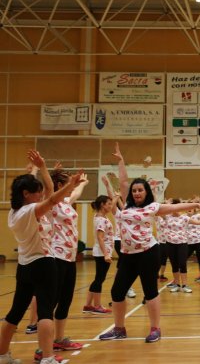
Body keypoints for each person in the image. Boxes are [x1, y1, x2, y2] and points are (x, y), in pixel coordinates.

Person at [98, 142, 200, 343]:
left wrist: (195, 204)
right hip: (128, 255)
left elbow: (177, 207)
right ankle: (119, 328)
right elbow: (123, 183)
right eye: (135, 191)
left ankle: (155, 328)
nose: (137, 193)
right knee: (117, 291)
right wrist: (121, 161)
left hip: (148, 253)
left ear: (146, 192)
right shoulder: (127, 208)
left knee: (150, 291)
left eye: (140, 190)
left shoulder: (153, 207)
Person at [0, 149, 83, 364]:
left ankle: (2, 355)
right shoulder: (31, 211)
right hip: (43, 263)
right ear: (26, 194)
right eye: (36, 192)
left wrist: (40, 168)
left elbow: (49, 192)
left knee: (15, 313)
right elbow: (53, 198)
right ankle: (47, 357)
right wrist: (70, 184)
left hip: (24, 265)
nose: (40, 195)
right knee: (46, 312)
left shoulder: (14, 212)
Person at [46, 168, 89, 355]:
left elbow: (75, 194)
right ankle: (43, 348)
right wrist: (42, 169)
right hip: (56, 257)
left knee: (65, 301)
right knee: (51, 302)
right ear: (60, 186)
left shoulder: (65, 203)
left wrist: (83, 184)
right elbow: (49, 187)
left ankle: (59, 339)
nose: (72, 188)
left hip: (70, 259)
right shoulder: (52, 202)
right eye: (68, 183)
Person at [83, 192, 115, 315]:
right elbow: (100, 238)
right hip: (102, 253)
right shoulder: (101, 220)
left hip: (102, 252)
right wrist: (106, 254)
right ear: (102, 205)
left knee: (98, 279)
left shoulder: (101, 217)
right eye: (109, 204)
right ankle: (97, 306)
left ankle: (87, 305)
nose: (111, 206)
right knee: (99, 279)